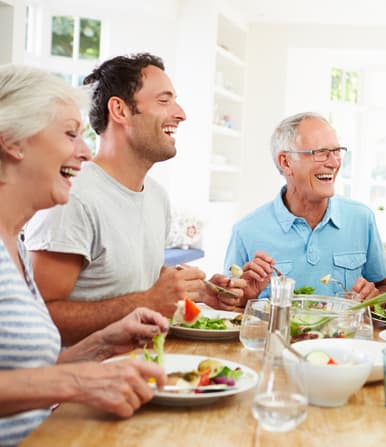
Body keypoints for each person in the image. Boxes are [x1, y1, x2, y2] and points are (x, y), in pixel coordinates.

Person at [24, 53, 244, 345]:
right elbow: (42, 317)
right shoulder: (72, 197)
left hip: (143, 370)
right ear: (120, 110)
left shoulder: (156, 197)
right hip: (85, 381)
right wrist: (150, 300)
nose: (180, 113)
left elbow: (133, 283)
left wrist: (199, 292)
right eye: (164, 101)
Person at [0, 64, 168, 447]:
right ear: (12, 141)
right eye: (70, 134)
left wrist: (102, 344)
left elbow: (30, 375)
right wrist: (76, 381)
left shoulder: (15, 247)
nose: (85, 153)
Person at [223, 112, 386, 308]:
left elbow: (385, 287)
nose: (334, 163)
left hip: (341, 338)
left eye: (336, 151)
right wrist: (243, 299)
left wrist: (375, 297)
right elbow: (229, 308)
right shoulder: (246, 231)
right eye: (320, 152)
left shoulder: (361, 218)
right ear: (286, 162)